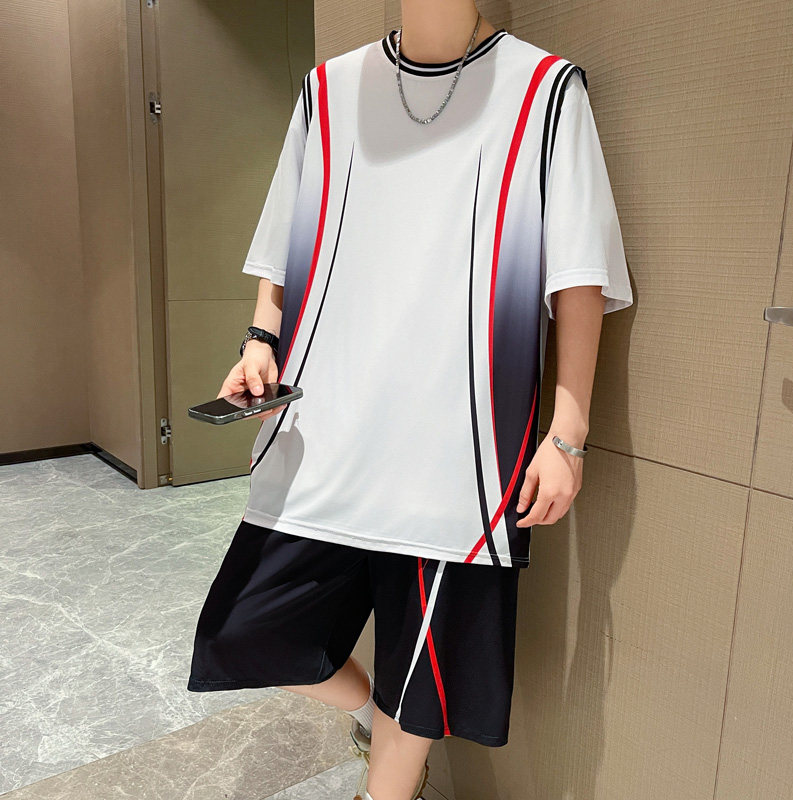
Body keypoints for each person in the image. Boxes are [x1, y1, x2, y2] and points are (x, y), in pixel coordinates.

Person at [187, 2, 633, 799]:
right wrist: (259, 341)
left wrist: (567, 431)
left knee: (424, 677)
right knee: (248, 632)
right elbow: (283, 242)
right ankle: (369, 719)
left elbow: (578, 277)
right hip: (326, 431)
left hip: (459, 451)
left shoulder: (543, 91)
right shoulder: (328, 90)